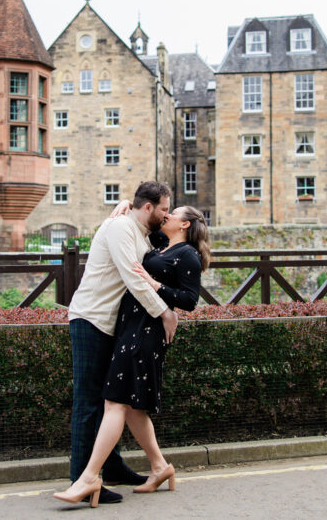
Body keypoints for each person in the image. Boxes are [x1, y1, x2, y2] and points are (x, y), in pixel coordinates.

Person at [55, 205, 211, 507]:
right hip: (130, 327)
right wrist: (125, 202)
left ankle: (87, 478)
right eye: (165, 209)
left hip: (146, 331)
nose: (166, 215)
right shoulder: (162, 244)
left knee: (115, 403)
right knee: (132, 409)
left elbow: (190, 300)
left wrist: (156, 286)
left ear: (185, 224)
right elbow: (144, 215)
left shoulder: (188, 254)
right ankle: (159, 467)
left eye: (173, 213)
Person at [64, 181, 178, 505]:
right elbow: (132, 274)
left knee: (109, 399)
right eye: (164, 210)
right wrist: (165, 312)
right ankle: (80, 479)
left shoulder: (140, 232)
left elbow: (162, 250)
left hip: (109, 325)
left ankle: (111, 468)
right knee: (87, 401)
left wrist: (125, 200)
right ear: (148, 208)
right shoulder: (119, 228)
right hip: (89, 319)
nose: (167, 215)